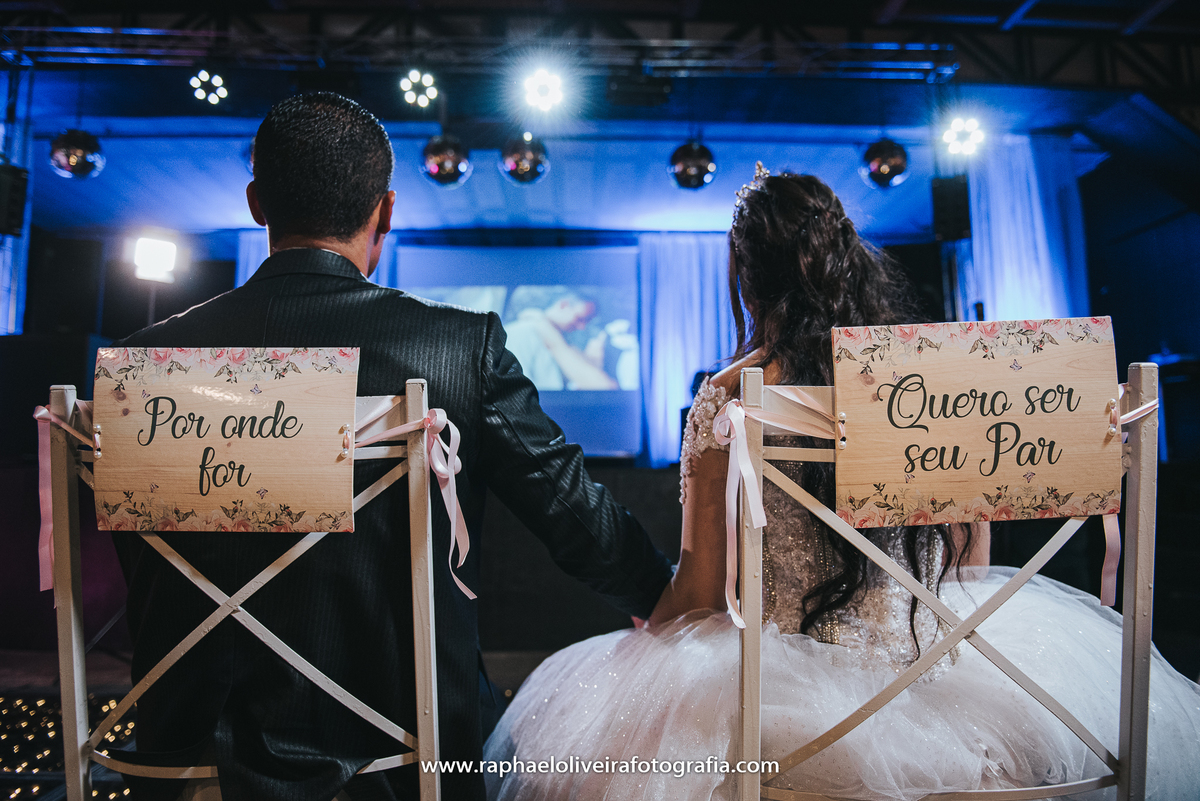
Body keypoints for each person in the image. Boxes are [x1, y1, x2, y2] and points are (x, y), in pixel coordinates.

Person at [483, 168, 1200, 799]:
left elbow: (701, 589)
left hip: (779, 715)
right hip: (940, 693)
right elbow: (969, 566)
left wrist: (649, 634)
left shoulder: (729, 399)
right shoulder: (929, 384)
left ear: (746, 278)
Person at [110, 93, 673, 801]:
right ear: (387, 211)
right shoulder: (456, 348)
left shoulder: (139, 367)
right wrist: (663, 590)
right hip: (405, 755)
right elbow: (576, 518)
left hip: (188, 751)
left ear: (256, 203)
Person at [504, 291, 618, 390]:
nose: (582, 327)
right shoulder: (522, 332)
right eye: (579, 319)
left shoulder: (565, 342)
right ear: (564, 305)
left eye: (586, 322)